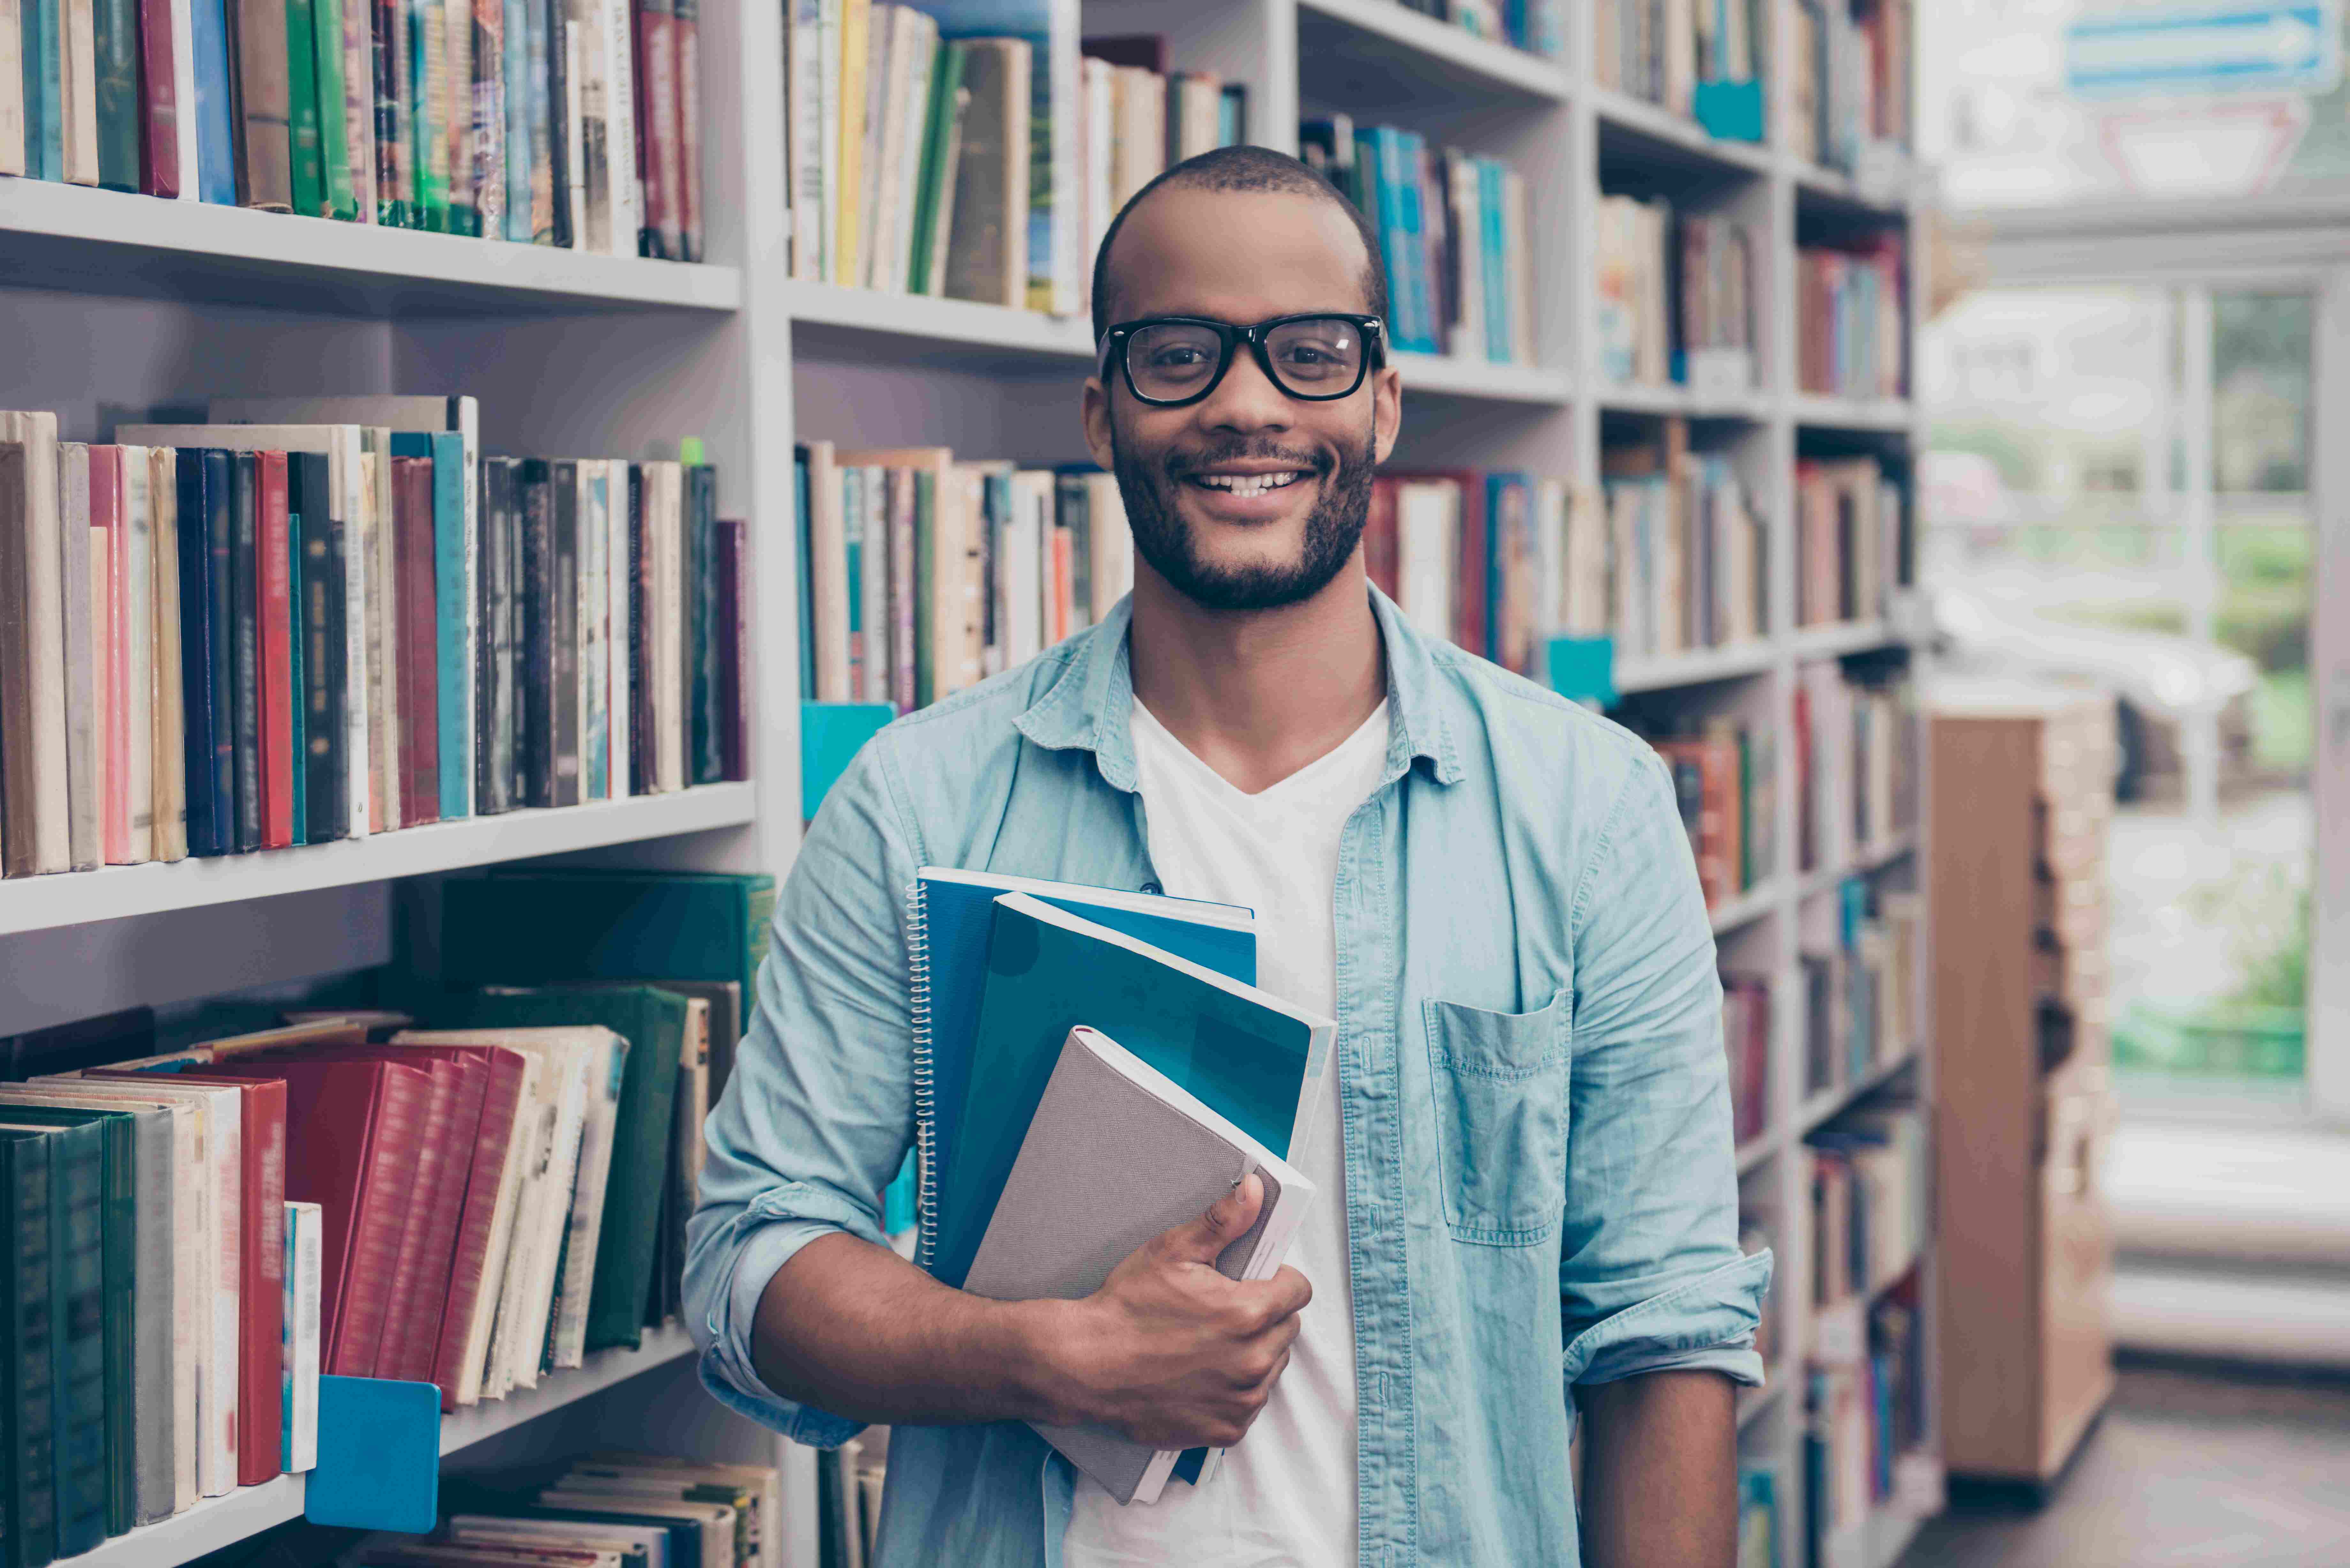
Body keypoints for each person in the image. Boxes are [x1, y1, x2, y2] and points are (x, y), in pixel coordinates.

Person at [686, 145, 1770, 1567]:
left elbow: (1664, 1327)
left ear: (1383, 399)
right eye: (1179, 353)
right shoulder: (918, 801)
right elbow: (750, 1258)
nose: (1245, 403)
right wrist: (1044, 1357)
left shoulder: (1590, 808)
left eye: (1310, 353)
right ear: (1101, 408)